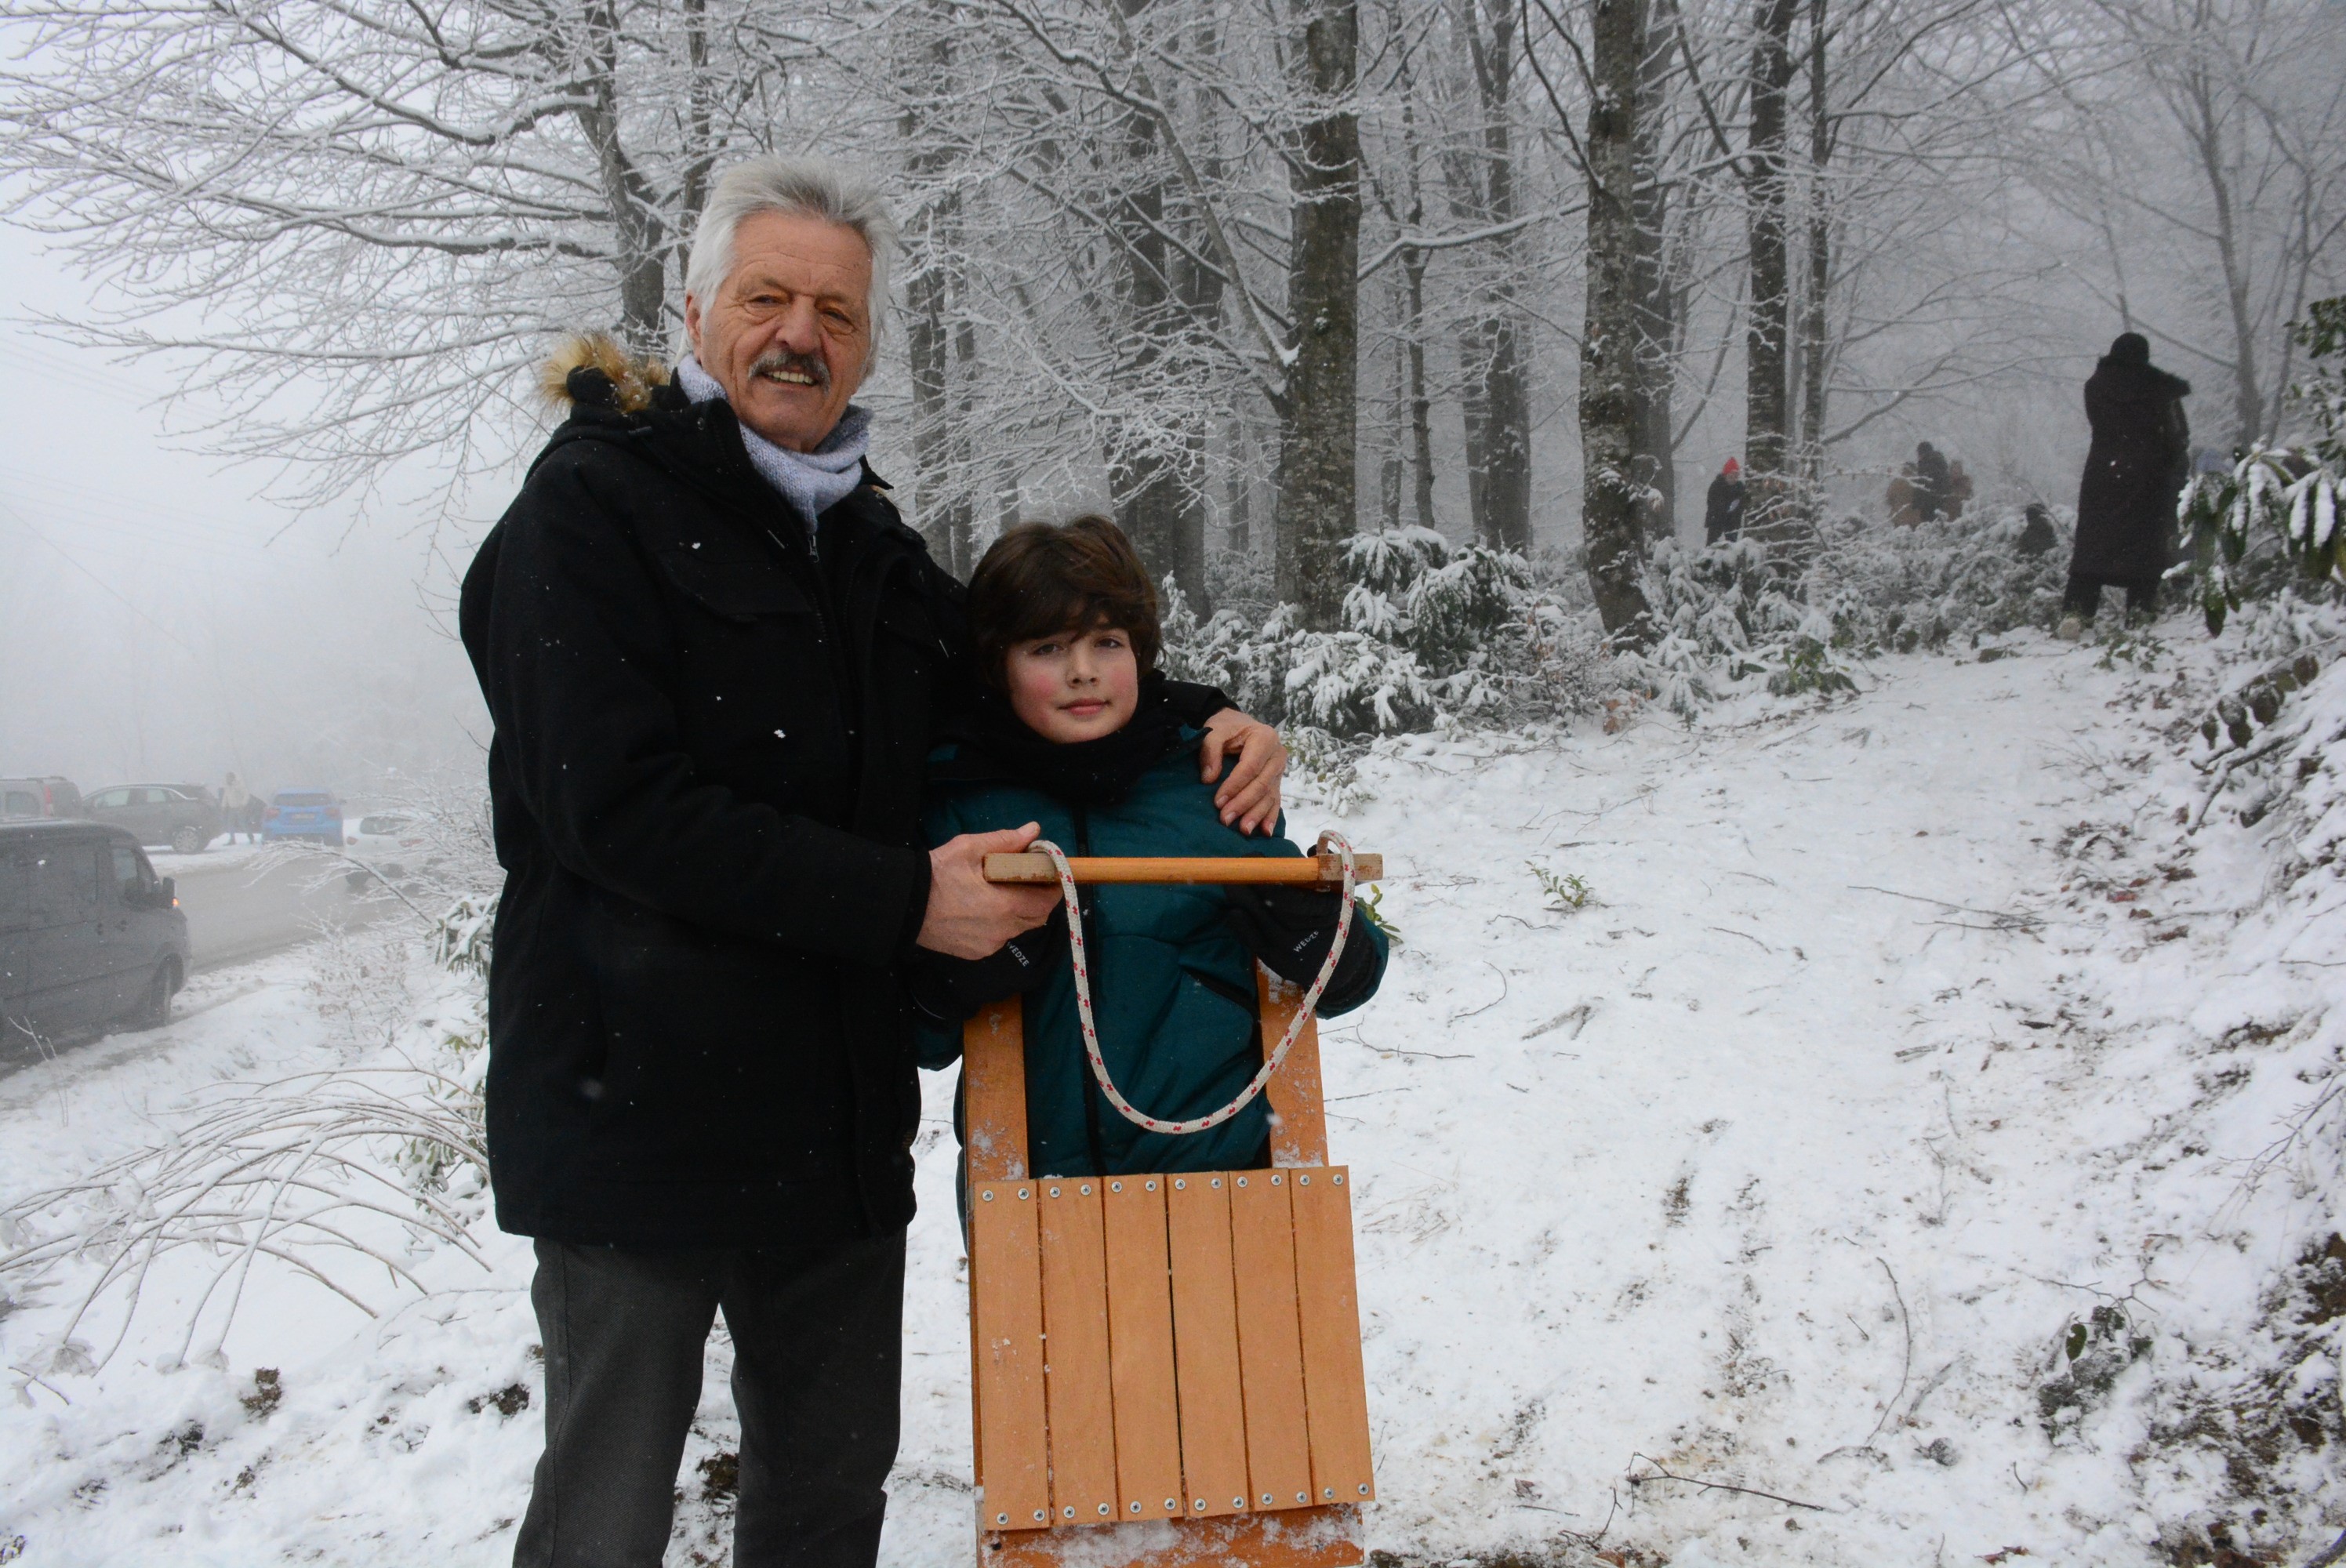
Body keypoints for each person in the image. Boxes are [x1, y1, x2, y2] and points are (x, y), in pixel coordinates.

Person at [457, 156, 1287, 1568]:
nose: (802, 335)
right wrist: (907, 899)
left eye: (836, 310)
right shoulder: (586, 517)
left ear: (867, 339)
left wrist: (1203, 717)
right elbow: (617, 811)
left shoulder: (866, 540)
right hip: (630, 1113)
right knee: (604, 1515)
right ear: (696, 306)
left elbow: (1022, 684)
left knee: (829, 1502)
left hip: (827, 1123)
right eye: (769, 297)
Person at [907, 517, 1386, 1182]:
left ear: (1142, 652)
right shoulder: (959, 803)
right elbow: (915, 1039)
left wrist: (1325, 942)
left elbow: (1337, 984)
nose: (1083, 673)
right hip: (1025, 1196)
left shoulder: (1213, 784)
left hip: (1226, 1183)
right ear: (999, 666)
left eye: (1107, 642)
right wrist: (947, 983)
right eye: (1046, 648)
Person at [2057, 332, 2192, 640]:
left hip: (2103, 475)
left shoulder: (2095, 387)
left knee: (2093, 547)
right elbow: (2178, 437)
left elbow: (2103, 425)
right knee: (2144, 548)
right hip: (2148, 477)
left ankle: (2077, 613)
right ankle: (2140, 611)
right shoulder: (2160, 390)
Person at [1704, 457, 1747, 544]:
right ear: (1726, 475)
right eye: (1731, 475)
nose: (1733, 478)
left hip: (1733, 521)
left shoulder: (1740, 487)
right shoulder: (1717, 485)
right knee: (1712, 544)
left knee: (1732, 544)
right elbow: (1713, 503)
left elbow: (1743, 502)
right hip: (1716, 519)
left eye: (1736, 476)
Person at [1913, 441, 1953, 522]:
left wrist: (1916, 503)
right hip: (1942, 502)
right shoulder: (1941, 463)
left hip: (1928, 504)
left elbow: (1922, 485)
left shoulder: (1925, 465)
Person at [221, 772, 252, 844]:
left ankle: (250, 836)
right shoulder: (227, 787)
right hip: (231, 808)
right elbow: (225, 796)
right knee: (230, 824)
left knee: (243, 823)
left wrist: (243, 804)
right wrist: (223, 805)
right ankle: (232, 839)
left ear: (233, 778)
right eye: (227, 778)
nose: (227, 779)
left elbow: (246, 795)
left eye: (229, 777)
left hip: (239, 808)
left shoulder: (238, 785)